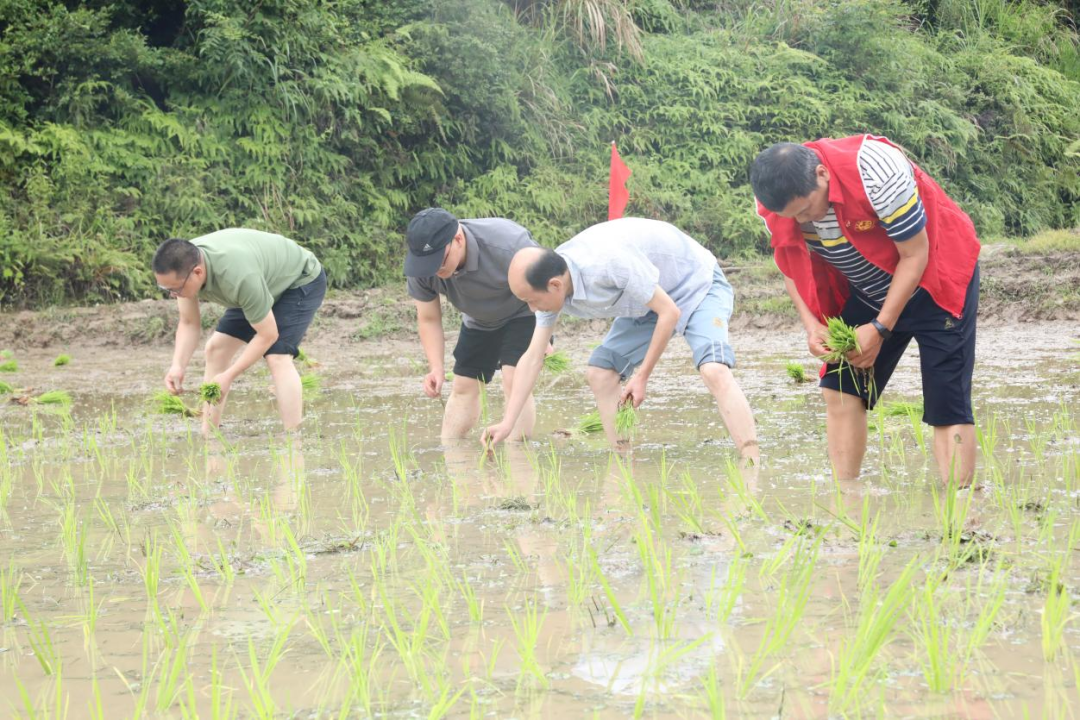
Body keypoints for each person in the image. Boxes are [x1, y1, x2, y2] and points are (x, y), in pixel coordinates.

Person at [750, 134, 980, 486]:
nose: (802, 220)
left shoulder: (877, 173)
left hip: (937, 278)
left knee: (946, 399)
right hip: (870, 288)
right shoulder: (774, 200)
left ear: (823, 175)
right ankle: (847, 496)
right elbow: (790, 263)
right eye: (791, 216)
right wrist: (812, 325)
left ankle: (962, 508)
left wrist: (880, 328)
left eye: (807, 209)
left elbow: (916, 255)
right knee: (840, 386)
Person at [481, 217, 758, 458]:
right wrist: (507, 422)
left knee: (713, 369)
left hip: (696, 283)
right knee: (600, 373)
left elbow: (670, 312)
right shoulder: (553, 283)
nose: (532, 309)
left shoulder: (606, 263)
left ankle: (751, 461)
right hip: (647, 301)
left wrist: (642, 377)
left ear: (554, 285)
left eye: (531, 301)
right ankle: (624, 460)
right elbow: (532, 358)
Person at [152, 228, 326, 434]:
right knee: (215, 349)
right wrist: (178, 366)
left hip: (298, 280)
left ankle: (294, 441)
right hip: (259, 284)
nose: (173, 295)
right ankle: (209, 436)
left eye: (175, 289)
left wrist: (229, 375)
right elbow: (189, 323)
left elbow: (268, 334)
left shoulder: (238, 276)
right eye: (166, 289)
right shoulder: (183, 264)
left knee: (277, 355)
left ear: (197, 273)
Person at [405, 208, 544, 441]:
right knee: (463, 386)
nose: (434, 272)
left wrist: (543, 336)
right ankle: (454, 457)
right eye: (427, 265)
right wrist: (436, 367)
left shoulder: (507, 244)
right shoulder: (422, 266)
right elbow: (428, 318)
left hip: (524, 310)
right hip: (479, 319)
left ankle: (519, 462)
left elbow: (549, 283)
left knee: (513, 378)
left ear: (458, 239)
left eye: (439, 262)